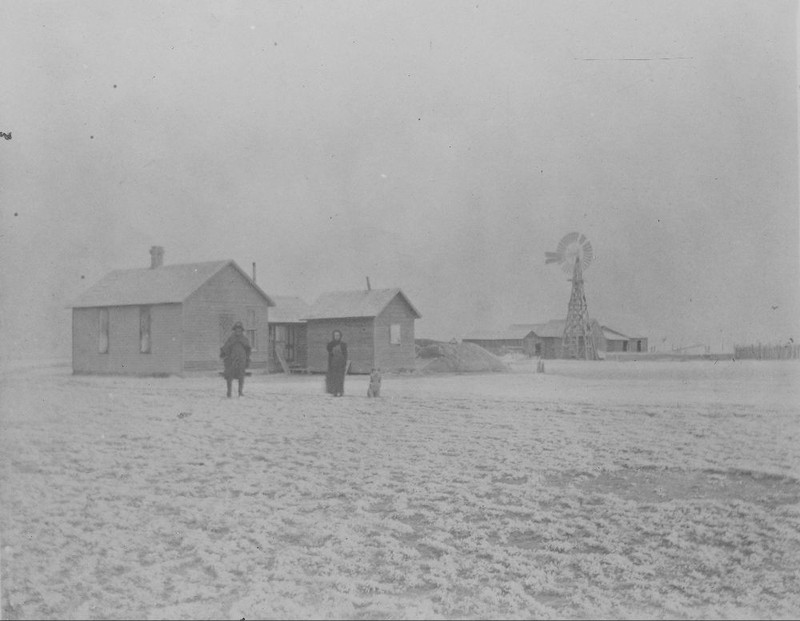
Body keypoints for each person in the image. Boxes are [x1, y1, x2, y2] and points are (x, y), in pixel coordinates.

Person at [220, 321, 251, 398]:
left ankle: (240, 392)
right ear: (234, 330)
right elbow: (226, 347)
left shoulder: (244, 339)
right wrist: (223, 352)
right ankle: (229, 393)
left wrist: (247, 358)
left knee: (241, 376)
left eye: (239, 330)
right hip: (232, 360)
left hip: (241, 360)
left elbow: (248, 349)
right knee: (229, 376)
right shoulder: (231, 339)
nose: (238, 331)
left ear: (241, 331)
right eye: (236, 330)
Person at [325, 329, 348, 397]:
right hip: (333, 364)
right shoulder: (330, 344)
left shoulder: (343, 345)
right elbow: (330, 355)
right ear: (333, 336)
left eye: (338, 335)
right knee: (334, 378)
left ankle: (340, 391)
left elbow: (345, 354)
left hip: (341, 364)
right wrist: (330, 364)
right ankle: (334, 391)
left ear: (340, 336)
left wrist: (344, 362)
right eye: (335, 335)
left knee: (340, 378)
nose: (337, 336)